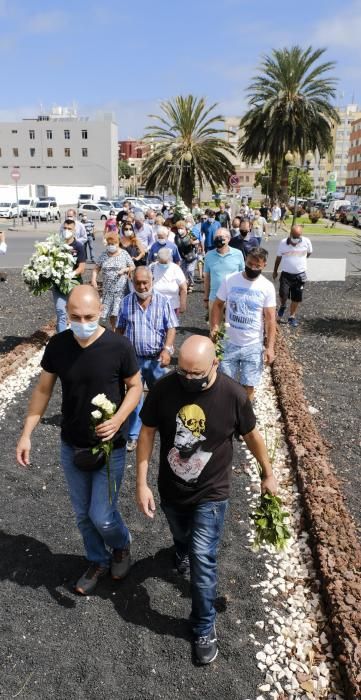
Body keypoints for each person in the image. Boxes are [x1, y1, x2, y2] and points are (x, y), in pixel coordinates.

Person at [136, 335, 277, 665]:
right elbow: (146, 433)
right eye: (182, 371)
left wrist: (267, 472)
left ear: (215, 363)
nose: (187, 379)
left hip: (211, 493)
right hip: (171, 489)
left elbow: (252, 435)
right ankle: (180, 548)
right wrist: (141, 483)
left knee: (203, 558)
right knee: (182, 538)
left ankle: (203, 627)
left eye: (195, 374)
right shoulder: (164, 389)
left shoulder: (232, 395)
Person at [16, 285, 143, 595]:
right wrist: (26, 434)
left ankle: (121, 545)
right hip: (71, 443)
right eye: (75, 316)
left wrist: (118, 420)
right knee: (83, 515)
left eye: (88, 316)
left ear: (100, 312)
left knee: (102, 515)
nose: (82, 322)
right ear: (66, 315)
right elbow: (43, 390)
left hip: (109, 447)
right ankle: (98, 560)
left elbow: (137, 387)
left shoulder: (119, 346)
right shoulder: (58, 346)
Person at [117, 266, 178, 452]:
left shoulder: (163, 301)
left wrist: (167, 350)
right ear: (132, 283)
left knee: (163, 395)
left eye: (146, 282)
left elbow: (171, 327)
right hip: (134, 359)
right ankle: (133, 435)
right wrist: (117, 353)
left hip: (156, 359)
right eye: (138, 283)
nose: (142, 287)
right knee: (134, 397)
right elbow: (119, 329)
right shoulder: (126, 302)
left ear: (152, 282)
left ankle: (168, 429)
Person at [211, 247, 276, 401]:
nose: (252, 268)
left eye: (257, 266)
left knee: (249, 386)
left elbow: (270, 318)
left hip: (253, 345)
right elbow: (218, 304)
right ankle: (227, 418)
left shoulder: (267, 287)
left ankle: (245, 419)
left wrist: (270, 347)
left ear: (264, 265)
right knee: (226, 384)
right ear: (245, 261)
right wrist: (214, 326)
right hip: (229, 343)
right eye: (250, 264)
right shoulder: (230, 280)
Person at [91, 231, 134, 331]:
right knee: (111, 313)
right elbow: (96, 268)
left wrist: (125, 270)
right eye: (109, 244)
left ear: (118, 243)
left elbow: (132, 266)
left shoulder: (124, 254)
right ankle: (114, 330)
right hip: (108, 290)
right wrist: (94, 279)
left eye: (112, 244)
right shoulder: (104, 255)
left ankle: (121, 330)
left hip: (121, 290)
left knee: (118, 311)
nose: (110, 246)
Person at [273, 224, 312, 328]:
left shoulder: (306, 241)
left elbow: (309, 253)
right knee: (283, 294)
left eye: (298, 236)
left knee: (296, 297)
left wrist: (300, 261)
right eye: (294, 236)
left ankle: (292, 317)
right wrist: (275, 271)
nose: (296, 239)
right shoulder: (283, 243)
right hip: (286, 274)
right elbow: (278, 258)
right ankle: (283, 305)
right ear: (290, 234)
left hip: (300, 275)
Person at [53, 218, 86, 333]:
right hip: (58, 286)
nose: (66, 230)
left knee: (75, 313)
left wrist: (71, 274)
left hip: (74, 285)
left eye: (69, 229)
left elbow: (82, 268)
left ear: (74, 230)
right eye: (65, 228)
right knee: (61, 312)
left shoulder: (78, 246)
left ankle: (76, 336)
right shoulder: (56, 245)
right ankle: (62, 340)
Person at [204, 228, 245, 320]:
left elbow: (243, 275)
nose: (218, 239)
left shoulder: (238, 254)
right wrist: (206, 298)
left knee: (232, 328)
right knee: (214, 329)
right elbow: (207, 278)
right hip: (214, 297)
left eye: (221, 237)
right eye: (216, 237)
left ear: (228, 239)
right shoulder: (209, 255)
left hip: (233, 298)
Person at [150, 247, 187, 314]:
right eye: (162, 262)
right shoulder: (152, 267)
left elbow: (183, 288)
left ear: (170, 259)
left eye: (165, 262)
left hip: (172, 306)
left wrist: (183, 304)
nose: (164, 264)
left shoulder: (175, 268)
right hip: (154, 306)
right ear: (157, 259)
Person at [174, 220, 198, 292]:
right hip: (182, 257)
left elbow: (197, 241)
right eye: (178, 228)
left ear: (185, 229)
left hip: (191, 256)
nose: (180, 230)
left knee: (190, 270)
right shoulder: (176, 236)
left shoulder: (190, 234)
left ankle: (191, 283)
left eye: (181, 228)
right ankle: (186, 285)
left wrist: (193, 242)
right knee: (183, 272)